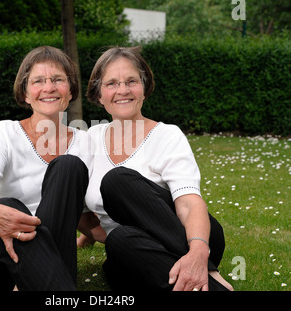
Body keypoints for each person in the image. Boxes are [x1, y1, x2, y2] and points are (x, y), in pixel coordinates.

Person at [78, 46, 233, 291]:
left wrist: (200, 253)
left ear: (144, 87)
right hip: (133, 248)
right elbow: (76, 201)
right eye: (111, 84)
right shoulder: (90, 139)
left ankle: (207, 269)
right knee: (119, 239)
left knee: (117, 181)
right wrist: (90, 235)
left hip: (191, 236)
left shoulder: (168, 135)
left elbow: (189, 203)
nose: (123, 90)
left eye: (131, 81)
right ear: (98, 95)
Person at [0, 46, 91, 291]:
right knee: (8, 205)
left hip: (43, 262)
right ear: (25, 93)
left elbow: (79, 209)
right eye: (38, 81)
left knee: (68, 165)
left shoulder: (86, 142)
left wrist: (101, 238)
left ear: (70, 91)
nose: (49, 88)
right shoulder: (4, 132)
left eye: (58, 80)